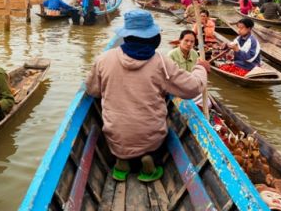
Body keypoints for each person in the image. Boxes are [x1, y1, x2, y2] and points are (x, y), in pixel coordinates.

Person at [85, 10, 208, 182]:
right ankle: (149, 165)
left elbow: (92, 90)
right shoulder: (161, 63)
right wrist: (200, 68)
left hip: (116, 138)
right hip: (151, 139)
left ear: (126, 36)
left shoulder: (104, 59)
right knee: (152, 135)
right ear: (153, 38)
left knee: (120, 137)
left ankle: (122, 162)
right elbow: (193, 88)